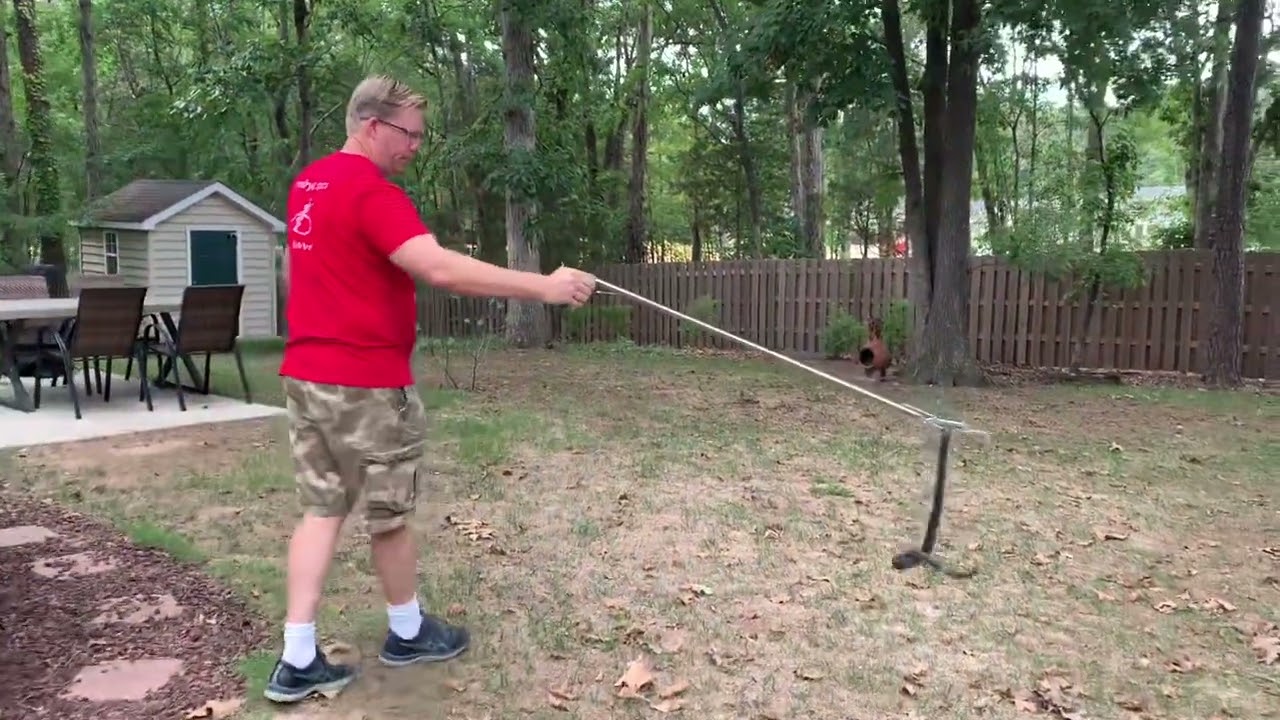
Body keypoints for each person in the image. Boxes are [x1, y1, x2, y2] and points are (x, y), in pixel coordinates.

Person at [264, 74, 597, 704]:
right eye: (408, 133)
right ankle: (407, 631)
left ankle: (297, 656)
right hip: (365, 384)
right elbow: (439, 267)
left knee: (321, 509)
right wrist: (544, 287)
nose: (416, 146)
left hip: (307, 377)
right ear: (371, 125)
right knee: (388, 518)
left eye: (420, 134)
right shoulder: (371, 192)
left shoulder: (309, 183)